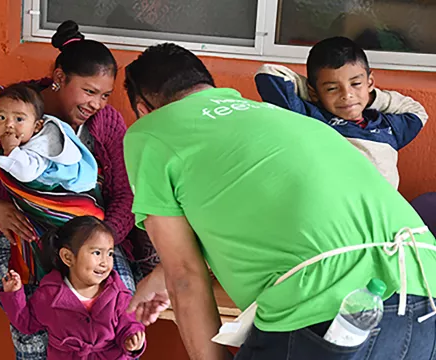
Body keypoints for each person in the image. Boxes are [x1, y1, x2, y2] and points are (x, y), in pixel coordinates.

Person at [123, 43, 436, 360]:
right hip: (425, 291)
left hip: (327, 313)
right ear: (209, 86)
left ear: (142, 109)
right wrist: (157, 279)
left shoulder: (150, 132)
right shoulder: (281, 117)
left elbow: (185, 276)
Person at [0, 20, 135, 359]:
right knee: (37, 329)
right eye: (89, 91)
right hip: (15, 240)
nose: (96, 104)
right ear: (59, 79)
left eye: (105, 95)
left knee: (121, 314)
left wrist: (101, 239)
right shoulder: (5, 113)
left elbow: (126, 195)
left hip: (93, 239)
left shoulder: (106, 123)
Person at [254, 36, 428, 189]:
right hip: (335, 210)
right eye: (332, 88)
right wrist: (315, 96)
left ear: (370, 82)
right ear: (314, 92)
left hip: (382, 214)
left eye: (356, 84)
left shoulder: (386, 126)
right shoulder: (312, 116)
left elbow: (418, 112)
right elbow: (270, 74)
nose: (347, 95)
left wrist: (370, 97)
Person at [0, 216, 146, 359]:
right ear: (68, 257)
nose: (105, 262)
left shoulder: (118, 293)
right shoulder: (49, 295)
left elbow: (130, 324)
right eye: (97, 253)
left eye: (110, 253)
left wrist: (132, 339)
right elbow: (26, 323)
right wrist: (14, 294)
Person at [0, 83, 98, 193]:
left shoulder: (44, 143)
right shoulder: (23, 133)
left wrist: (11, 149)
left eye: (19, 119)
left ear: (37, 126)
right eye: (1, 117)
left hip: (73, 192)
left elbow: (26, 173)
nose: (9, 124)